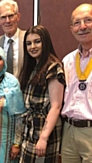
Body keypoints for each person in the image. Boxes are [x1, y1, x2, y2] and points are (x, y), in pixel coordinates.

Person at [18, 25, 65, 163]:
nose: (33, 46)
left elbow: (56, 106)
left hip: (45, 129)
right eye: (28, 43)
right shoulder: (33, 67)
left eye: (37, 41)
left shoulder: (53, 67)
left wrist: (43, 138)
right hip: (31, 128)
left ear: (46, 42)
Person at [61, 4, 92, 163]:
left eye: (88, 20)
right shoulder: (67, 61)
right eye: (77, 23)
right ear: (72, 28)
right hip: (69, 130)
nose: (83, 27)